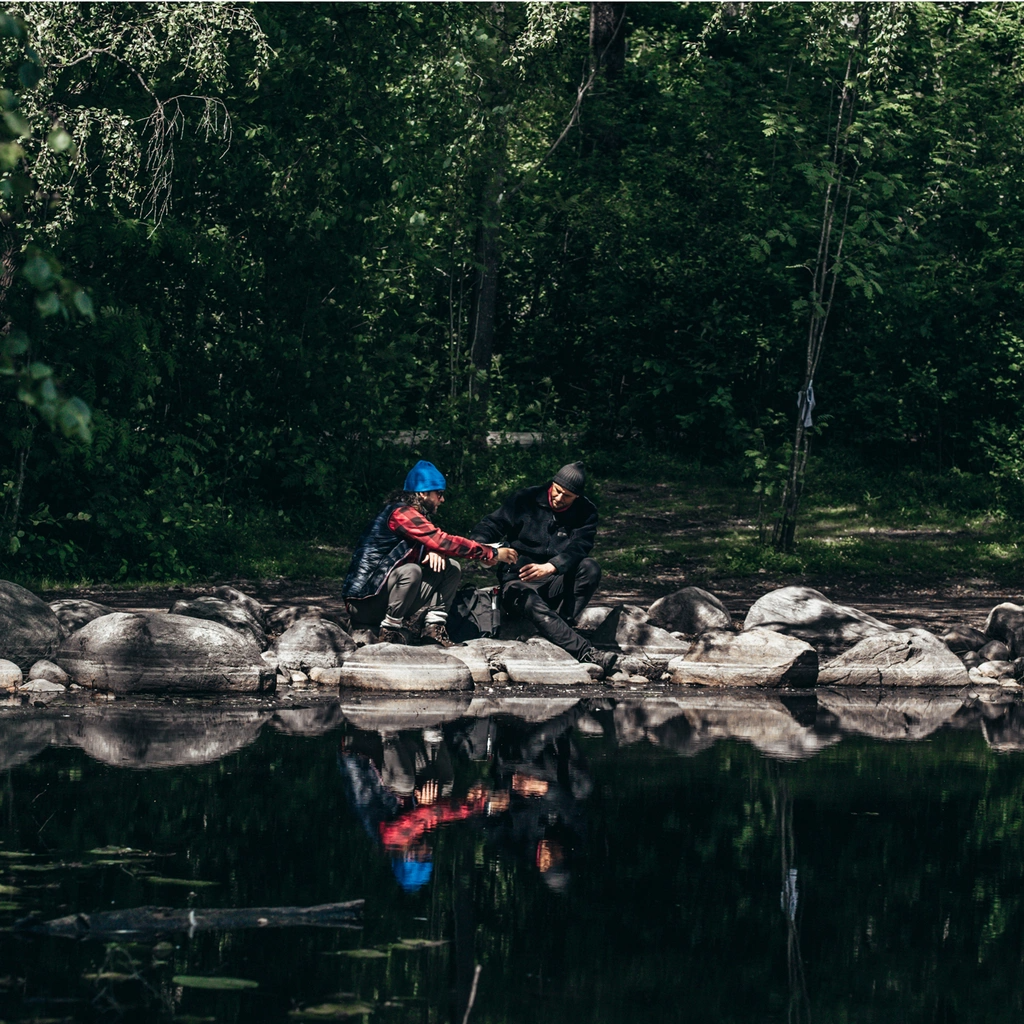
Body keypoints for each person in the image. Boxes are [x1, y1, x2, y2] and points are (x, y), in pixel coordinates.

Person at [343, 460, 516, 645]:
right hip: (363, 602)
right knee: (412, 571)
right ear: (422, 493)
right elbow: (443, 541)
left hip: (383, 596)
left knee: (451, 568)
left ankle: (434, 630)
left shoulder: (415, 516)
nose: (442, 499)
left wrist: (433, 550)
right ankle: (389, 632)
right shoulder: (401, 513)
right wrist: (493, 553)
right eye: (439, 494)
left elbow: (431, 543)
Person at [470, 461, 616, 673]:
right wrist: (483, 548)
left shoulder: (587, 511)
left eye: (566, 496)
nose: (558, 498)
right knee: (527, 597)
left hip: (554, 578)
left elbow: (579, 548)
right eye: (557, 491)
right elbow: (491, 525)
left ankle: (563, 625)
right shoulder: (524, 499)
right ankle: (585, 652)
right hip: (517, 581)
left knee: (590, 567)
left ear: (577, 497)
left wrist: (552, 566)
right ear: (552, 483)